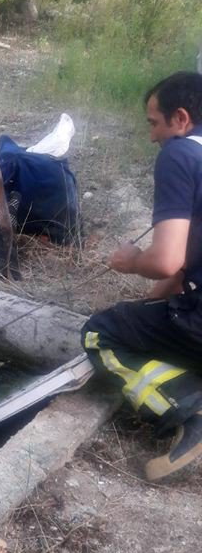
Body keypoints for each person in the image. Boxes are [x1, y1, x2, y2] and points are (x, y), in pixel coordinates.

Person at [82, 71, 202, 480]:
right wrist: (153, 303)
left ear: (181, 119)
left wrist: (132, 260)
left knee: (100, 332)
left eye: (154, 123)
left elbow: (168, 261)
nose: (152, 136)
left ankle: (191, 408)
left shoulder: (180, 155)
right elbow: (186, 261)